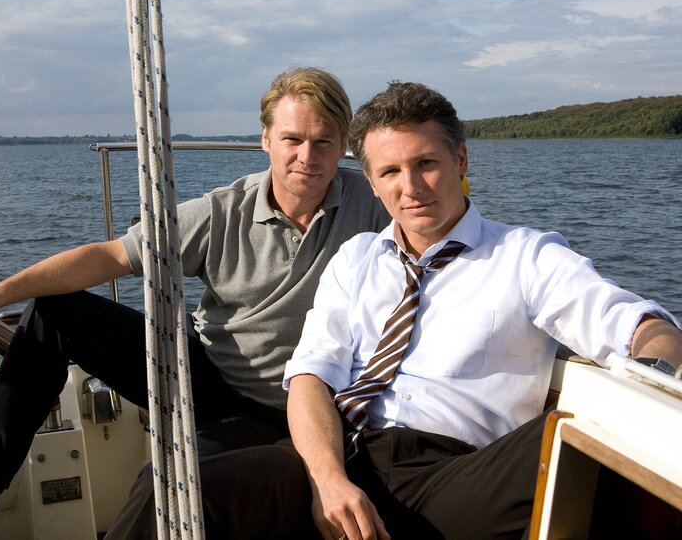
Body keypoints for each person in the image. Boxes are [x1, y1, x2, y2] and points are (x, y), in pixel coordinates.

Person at [116, 80, 682, 540]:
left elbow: (638, 326)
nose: (411, 187)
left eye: (426, 163)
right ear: (371, 181)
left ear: (461, 158)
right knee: (172, 491)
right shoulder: (356, 257)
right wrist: (327, 480)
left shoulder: (525, 256)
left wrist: (657, 364)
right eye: (389, 172)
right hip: (341, 453)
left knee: (582, 430)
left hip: (454, 472)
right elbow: (311, 376)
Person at [0, 67, 389, 540]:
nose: (308, 157)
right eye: (293, 140)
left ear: (344, 145)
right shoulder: (223, 211)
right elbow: (109, 256)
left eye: (324, 142)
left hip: (305, 405)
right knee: (56, 312)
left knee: (165, 484)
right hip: (209, 376)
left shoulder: (375, 206)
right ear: (266, 141)